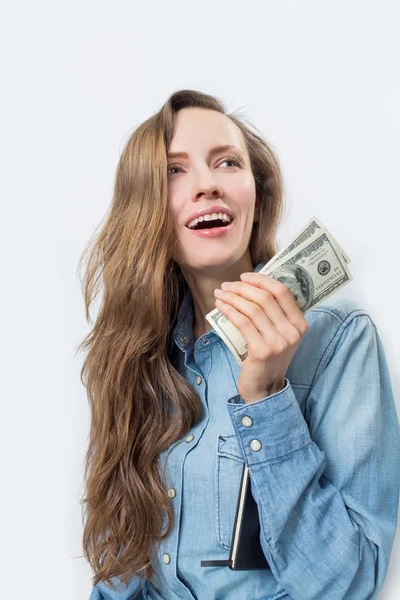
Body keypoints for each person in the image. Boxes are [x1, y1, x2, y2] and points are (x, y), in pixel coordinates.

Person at [78, 89, 400, 600]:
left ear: (257, 192)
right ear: (145, 210)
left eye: (227, 162)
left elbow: (349, 584)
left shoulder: (339, 340)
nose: (207, 185)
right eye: (173, 171)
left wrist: (267, 398)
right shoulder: (130, 355)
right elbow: (118, 571)